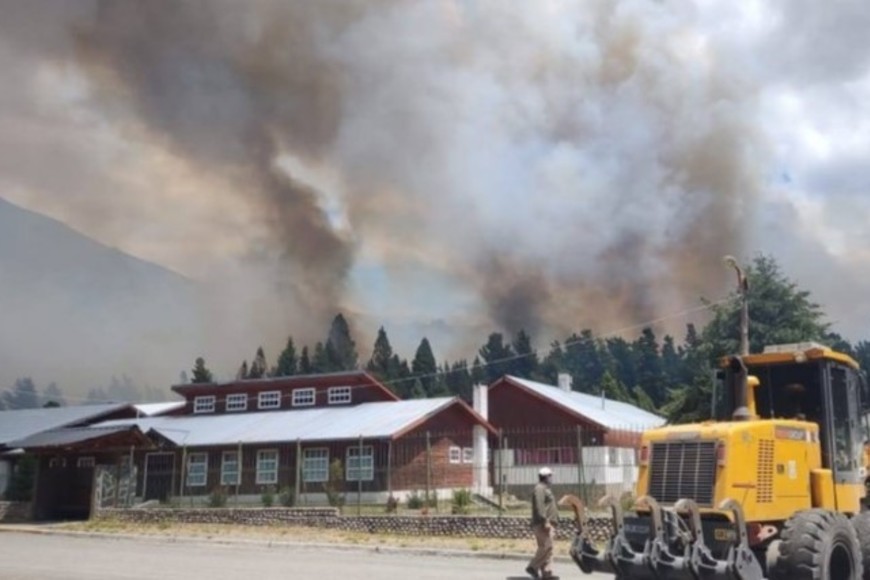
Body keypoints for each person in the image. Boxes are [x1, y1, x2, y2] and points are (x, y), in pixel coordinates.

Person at [526, 466, 558, 579]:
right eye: (550, 476)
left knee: (547, 548)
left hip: (547, 523)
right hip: (542, 524)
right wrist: (545, 521)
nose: (552, 478)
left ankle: (546, 573)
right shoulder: (539, 488)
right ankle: (532, 567)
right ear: (545, 477)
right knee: (547, 547)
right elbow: (540, 506)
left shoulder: (544, 488)